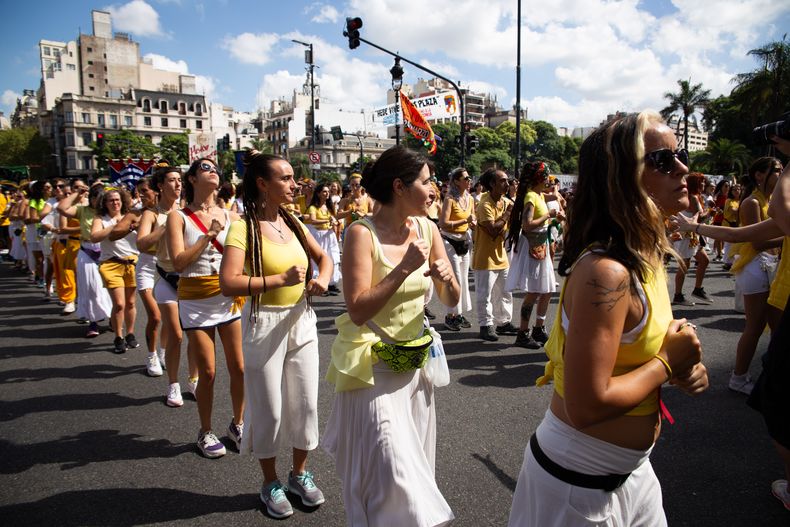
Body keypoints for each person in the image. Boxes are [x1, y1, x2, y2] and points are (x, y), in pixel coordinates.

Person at [508, 111, 708, 527]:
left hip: (634, 475)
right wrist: (667, 362)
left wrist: (683, 369)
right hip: (578, 488)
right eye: (663, 160)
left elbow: (634, 361)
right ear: (622, 176)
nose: (684, 168)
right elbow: (585, 405)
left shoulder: (647, 254)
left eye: (681, 154)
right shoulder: (607, 272)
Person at [323, 145, 459, 527]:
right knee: (392, 475)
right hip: (373, 370)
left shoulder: (428, 228)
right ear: (399, 187)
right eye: (427, 182)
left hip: (414, 365)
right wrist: (403, 268)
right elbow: (358, 309)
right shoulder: (360, 234)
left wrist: (448, 281)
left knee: (415, 469)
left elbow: (452, 300)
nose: (434, 190)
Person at [674, 135, 790, 511]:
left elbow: (780, 211)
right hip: (778, 291)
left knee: (777, 399)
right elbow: (742, 234)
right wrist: (697, 230)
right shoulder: (761, 202)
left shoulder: (778, 200)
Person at [220, 151, 333, 519]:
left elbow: (325, 258)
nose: (294, 183)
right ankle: (269, 482)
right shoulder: (242, 227)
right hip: (263, 321)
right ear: (262, 184)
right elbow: (229, 282)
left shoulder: (294, 221)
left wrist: (323, 280)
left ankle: (299, 474)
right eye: (284, 178)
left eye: (293, 177)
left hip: (301, 318)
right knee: (269, 408)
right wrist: (277, 281)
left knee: (306, 403)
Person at [167, 158, 245, 458]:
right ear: (192, 179)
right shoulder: (179, 218)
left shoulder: (232, 216)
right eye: (204, 167)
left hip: (227, 297)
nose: (212, 170)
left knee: (239, 366)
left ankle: (238, 423)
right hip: (195, 298)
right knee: (209, 372)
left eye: (215, 168)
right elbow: (178, 262)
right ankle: (205, 431)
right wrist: (209, 236)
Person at [139, 166, 197, 402]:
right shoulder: (151, 214)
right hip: (166, 279)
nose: (177, 184)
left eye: (179, 180)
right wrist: (165, 227)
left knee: (195, 335)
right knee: (176, 334)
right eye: (172, 180)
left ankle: (194, 380)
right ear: (160, 186)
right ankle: (173, 384)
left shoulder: (187, 212)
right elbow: (142, 244)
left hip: (190, 279)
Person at [727, 157, 783, 394]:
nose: (781, 175)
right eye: (777, 171)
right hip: (754, 267)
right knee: (755, 326)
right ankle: (738, 378)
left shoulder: (773, 200)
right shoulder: (751, 202)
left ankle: (772, 375)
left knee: (776, 326)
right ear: (760, 175)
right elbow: (758, 242)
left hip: (768, 266)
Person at [505, 161, 563, 349]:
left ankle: (539, 327)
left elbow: (553, 196)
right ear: (539, 178)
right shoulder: (531, 196)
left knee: (546, 290)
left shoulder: (538, 194)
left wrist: (556, 213)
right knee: (534, 292)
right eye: (546, 175)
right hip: (533, 248)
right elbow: (527, 224)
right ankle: (523, 332)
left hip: (541, 247)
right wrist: (549, 215)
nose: (548, 178)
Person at [112, 177, 163, 375]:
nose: (140, 195)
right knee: (155, 316)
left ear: (158, 190)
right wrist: (134, 226)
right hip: (146, 266)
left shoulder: (171, 211)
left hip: (168, 266)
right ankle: (151, 356)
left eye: (144, 191)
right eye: (138, 192)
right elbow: (115, 233)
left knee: (171, 318)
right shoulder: (135, 213)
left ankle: (164, 351)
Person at [58, 183, 112, 337]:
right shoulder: (82, 210)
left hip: (107, 252)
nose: (98, 201)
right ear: (91, 198)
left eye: (101, 198)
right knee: (90, 288)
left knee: (111, 288)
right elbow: (62, 209)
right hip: (87, 252)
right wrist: (77, 193)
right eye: (95, 197)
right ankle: (93, 322)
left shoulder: (109, 212)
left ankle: (113, 319)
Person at [91, 187, 140, 354]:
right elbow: (94, 237)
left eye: (118, 199)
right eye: (111, 200)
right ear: (105, 203)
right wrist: (115, 227)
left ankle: (130, 333)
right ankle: (118, 336)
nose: (115, 203)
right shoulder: (101, 218)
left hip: (132, 262)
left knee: (131, 302)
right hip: (110, 264)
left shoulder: (131, 216)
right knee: (119, 304)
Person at [472, 168, 518, 341]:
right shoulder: (484, 204)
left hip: (501, 256)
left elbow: (509, 227)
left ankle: (504, 322)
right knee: (485, 294)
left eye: (507, 181)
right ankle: (485, 325)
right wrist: (508, 214)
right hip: (485, 258)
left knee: (505, 292)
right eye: (503, 181)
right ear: (492, 184)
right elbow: (492, 230)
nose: (507, 184)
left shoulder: (505, 201)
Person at [439, 167, 476, 331]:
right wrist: (464, 221)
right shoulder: (450, 199)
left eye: (469, 178)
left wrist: (472, 224)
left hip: (464, 241)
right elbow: (443, 223)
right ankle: (449, 316)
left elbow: (471, 218)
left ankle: (458, 314)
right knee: (454, 280)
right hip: (450, 241)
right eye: (466, 178)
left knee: (463, 281)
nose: (469, 181)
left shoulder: (470, 199)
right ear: (456, 181)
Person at [672, 172, 712, 306]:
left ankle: (697, 289)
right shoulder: (693, 197)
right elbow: (699, 218)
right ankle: (678, 295)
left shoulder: (694, 196)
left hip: (692, 236)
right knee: (684, 265)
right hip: (687, 236)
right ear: (694, 184)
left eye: (704, 182)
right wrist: (710, 212)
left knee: (704, 260)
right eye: (700, 182)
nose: (703, 185)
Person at [303, 182, 342, 296]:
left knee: (332, 258)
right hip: (318, 235)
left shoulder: (329, 207)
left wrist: (336, 221)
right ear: (319, 193)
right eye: (324, 191)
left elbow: (335, 217)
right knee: (318, 260)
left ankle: (330, 283)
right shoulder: (313, 207)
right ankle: (319, 283)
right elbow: (313, 220)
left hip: (329, 235)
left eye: (328, 192)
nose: (327, 193)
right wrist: (327, 220)